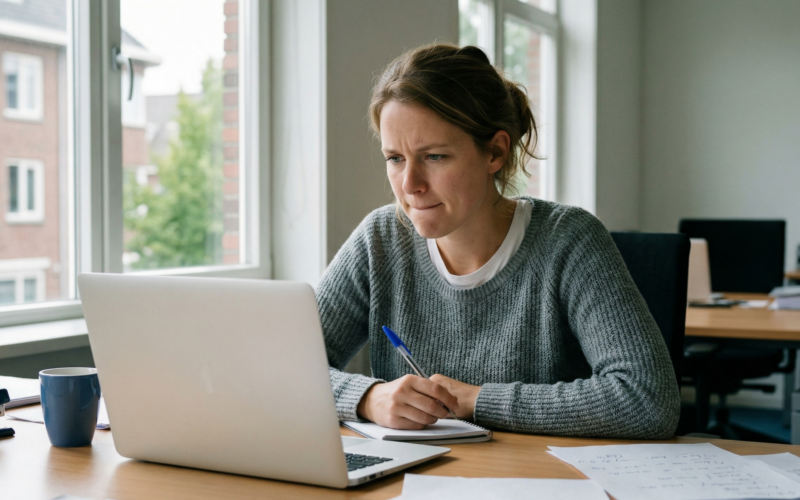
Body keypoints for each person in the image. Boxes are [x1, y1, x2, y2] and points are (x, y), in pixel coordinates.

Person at [316, 43, 680, 439]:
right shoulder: (380, 239)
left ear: (495, 151)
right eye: (395, 158)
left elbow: (648, 400)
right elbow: (276, 367)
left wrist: (475, 400)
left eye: (435, 157)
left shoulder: (568, 240)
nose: (410, 185)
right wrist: (369, 398)